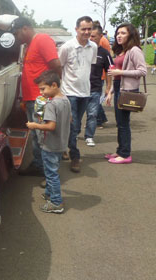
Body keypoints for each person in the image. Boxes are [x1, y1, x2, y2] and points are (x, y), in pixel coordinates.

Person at [10, 17, 62, 175]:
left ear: (25, 28)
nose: (17, 37)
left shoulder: (42, 39)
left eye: (17, 33)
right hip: (32, 99)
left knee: (43, 137)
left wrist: (54, 91)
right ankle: (39, 165)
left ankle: (50, 172)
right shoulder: (28, 45)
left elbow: (56, 65)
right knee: (36, 135)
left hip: (41, 99)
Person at [26, 70, 71, 214]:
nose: (41, 92)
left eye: (43, 89)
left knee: (51, 174)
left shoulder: (51, 105)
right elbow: (69, 119)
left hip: (50, 145)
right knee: (51, 170)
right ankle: (49, 194)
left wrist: (35, 125)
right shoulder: (65, 100)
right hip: (61, 143)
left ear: (54, 85)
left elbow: (50, 126)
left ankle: (56, 202)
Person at [58, 16, 97, 172]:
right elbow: (59, 67)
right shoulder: (67, 47)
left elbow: (89, 67)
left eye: (89, 29)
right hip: (69, 93)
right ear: (76, 29)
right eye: (83, 29)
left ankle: (65, 147)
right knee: (73, 126)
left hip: (85, 93)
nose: (86, 32)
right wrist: (59, 92)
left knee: (75, 126)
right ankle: (75, 156)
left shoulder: (93, 47)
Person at [106, 23, 147, 164]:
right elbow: (116, 76)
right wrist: (110, 92)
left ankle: (125, 154)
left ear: (131, 35)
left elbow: (142, 71)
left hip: (128, 90)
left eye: (123, 33)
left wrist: (121, 72)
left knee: (123, 123)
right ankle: (120, 150)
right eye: (118, 33)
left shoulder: (134, 50)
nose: (119, 35)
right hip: (118, 88)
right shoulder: (121, 51)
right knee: (120, 123)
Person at [85, 24, 113, 147]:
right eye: (89, 36)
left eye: (93, 36)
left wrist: (108, 88)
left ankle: (89, 136)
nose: (90, 38)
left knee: (92, 114)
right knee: (74, 116)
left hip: (95, 88)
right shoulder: (82, 49)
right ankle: (72, 136)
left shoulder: (104, 53)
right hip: (78, 89)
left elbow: (109, 71)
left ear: (100, 37)